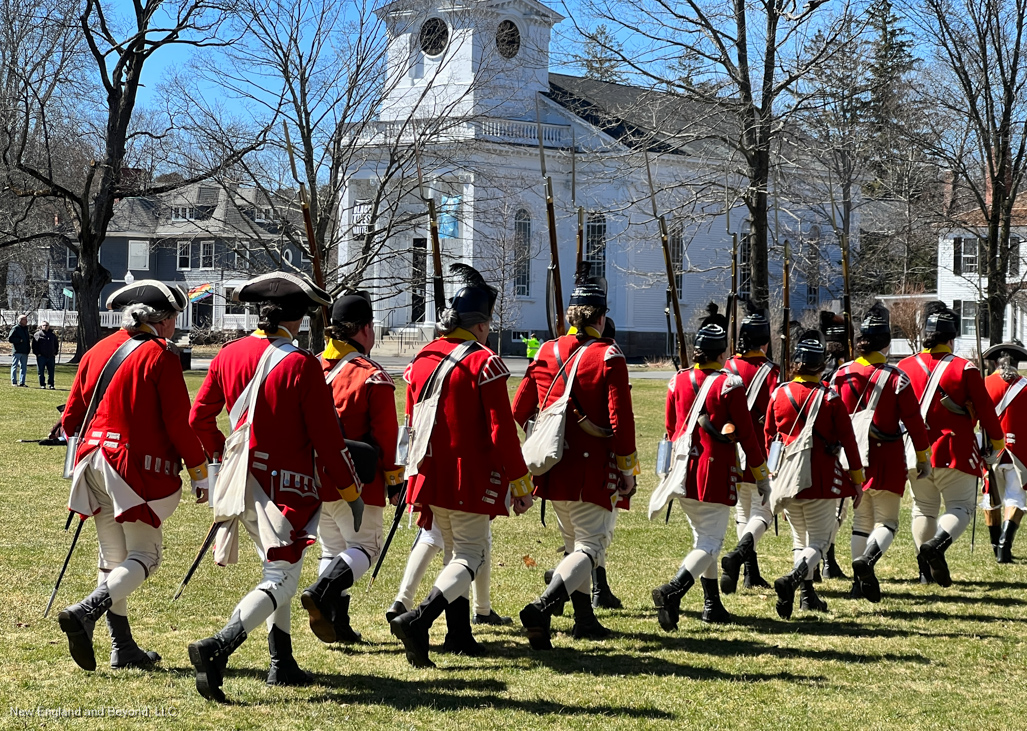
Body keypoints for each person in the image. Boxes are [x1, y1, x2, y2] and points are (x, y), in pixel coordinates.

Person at [187, 272, 363, 702]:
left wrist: (223, 454)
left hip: (237, 480)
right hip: (284, 486)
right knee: (282, 578)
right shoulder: (301, 363)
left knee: (281, 569)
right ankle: (218, 647)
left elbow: (198, 419)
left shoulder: (229, 354)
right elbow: (327, 439)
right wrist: (351, 491)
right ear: (298, 317)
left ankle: (280, 659)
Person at [58, 280, 208, 672]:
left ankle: (122, 647)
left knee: (112, 559)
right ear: (165, 320)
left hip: (90, 461)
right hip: (129, 468)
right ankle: (86, 611)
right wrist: (198, 470)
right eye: (175, 319)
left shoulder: (98, 350)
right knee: (147, 555)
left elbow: (71, 418)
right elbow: (178, 424)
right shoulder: (162, 355)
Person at [389, 263, 533, 668]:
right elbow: (501, 431)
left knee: (454, 551)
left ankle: (459, 634)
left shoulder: (422, 358)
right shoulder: (484, 363)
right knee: (469, 555)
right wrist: (520, 483)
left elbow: (410, 420)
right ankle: (420, 620)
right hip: (467, 474)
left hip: (428, 471)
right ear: (482, 325)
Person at [512, 264, 638, 649]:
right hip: (591, 467)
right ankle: (544, 604)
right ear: (601, 317)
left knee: (574, 547)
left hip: (553, 466)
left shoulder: (548, 350)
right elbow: (621, 421)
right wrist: (628, 468)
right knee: (590, 548)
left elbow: (519, 408)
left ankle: (585, 619)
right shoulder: (609, 356)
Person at [651, 318, 769, 630]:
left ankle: (711, 603)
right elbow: (747, 435)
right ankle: (672, 591)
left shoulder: (677, 381)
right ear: (721, 353)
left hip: (683, 470)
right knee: (711, 543)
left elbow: (670, 428)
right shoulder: (729, 385)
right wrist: (761, 474)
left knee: (702, 539)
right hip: (713, 471)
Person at [300, 291, 403, 644]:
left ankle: (337, 623)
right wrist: (394, 480)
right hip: (358, 481)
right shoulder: (371, 376)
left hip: (315, 479)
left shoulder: (311, 366)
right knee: (365, 548)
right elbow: (386, 437)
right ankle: (323, 593)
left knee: (332, 549)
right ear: (364, 329)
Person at [897, 302, 1004, 587]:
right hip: (954, 451)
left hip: (915, 451)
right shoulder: (964, 369)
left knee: (923, 509)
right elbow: (986, 411)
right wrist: (997, 442)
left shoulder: (903, 367)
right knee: (960, 508)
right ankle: (937, 547)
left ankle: (924, 572)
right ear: (951, 338)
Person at [829, 304, 930, 602]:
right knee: (887, 522)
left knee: (861, 521)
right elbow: (914, 422)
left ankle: (857, 585)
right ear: (886, 342)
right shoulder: (897, 378)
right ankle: (867, 563)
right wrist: (923, 456)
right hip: (885, 456)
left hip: (852, 457)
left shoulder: (841, 373)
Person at [765, 331, 864, 619]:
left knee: (800, 540)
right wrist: (857, 481)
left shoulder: (779, 394)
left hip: (787, 478)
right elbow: (849, 442)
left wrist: (773, 477)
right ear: (821, 365)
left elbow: (770, 438)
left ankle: (808, 597)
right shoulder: (830, 398)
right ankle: (794, 579)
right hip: (821, 479)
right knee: (819, 543)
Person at [719, 301, 780, 594]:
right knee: (763, 513)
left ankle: (749, 573)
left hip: (730, 452)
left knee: (743, 513)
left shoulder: (727, 366)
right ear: (765, 342)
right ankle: (743, 560)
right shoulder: (771, 372)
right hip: (759, 451)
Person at [981, 342, 1027, 563]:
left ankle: (994, 545)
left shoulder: (984, 384)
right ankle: (1004, 546)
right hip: (1019, 452)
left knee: (991, 499)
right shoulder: (1026, 386)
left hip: (991, 451)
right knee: (1016, 499)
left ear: (996, 364)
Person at [817, 309, 851, 580]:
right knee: (834, 508)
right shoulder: (843, 372)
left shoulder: (819, 366)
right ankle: (826, 559)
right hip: (834, 445)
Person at [32, 320, 59, 389]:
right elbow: (34, 346)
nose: (45, 327)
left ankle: (51, 384)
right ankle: (42, 384)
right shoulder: (37, 335)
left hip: (51, 356)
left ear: (48, 326)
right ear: (41, 326)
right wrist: (37, 354)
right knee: (41, 371)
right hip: (41, 356)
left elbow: (56, 344)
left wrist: (55, 353)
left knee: (51, 371)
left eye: (46, 325)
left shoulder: (52, 335)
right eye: (44, 325)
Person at [8, 314, 30, 387]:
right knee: (15, 366)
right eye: (25, 320)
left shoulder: (26, 329)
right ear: (20, 320)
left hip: (24, 351)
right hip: (17, 351)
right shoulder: (16, 328)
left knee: (23, 367)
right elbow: (10, 339)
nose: (26, 321)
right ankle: (14, 382)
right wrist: (19, 340)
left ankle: (22, 382)